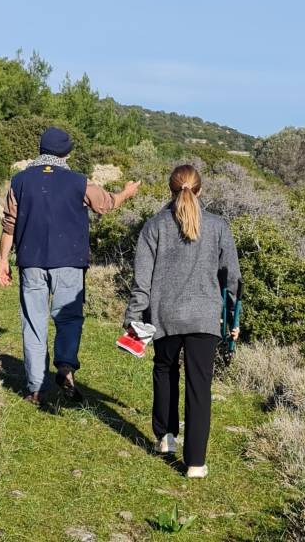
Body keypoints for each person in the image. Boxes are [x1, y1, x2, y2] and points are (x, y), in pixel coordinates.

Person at [0, 127, 141, 405]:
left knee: (33, 322)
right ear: (67, 153)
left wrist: (3, 259)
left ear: (41, 150)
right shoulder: (78, 181)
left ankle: (36, 390)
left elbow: (9, 225)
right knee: (68, 318)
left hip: (31, 261)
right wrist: (126, 193)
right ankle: (65, 366)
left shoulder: (20, 181)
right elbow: (107, 204)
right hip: (70, 262)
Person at [123, 164, 241, 478]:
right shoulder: (218, 226)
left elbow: (142, 281)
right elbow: (232, 278)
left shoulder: (154, 226)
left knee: (164, 370)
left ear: (170, 189)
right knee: (199, 386)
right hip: (204, 318)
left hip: (165, 316)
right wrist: (234, 318)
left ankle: (166, 437)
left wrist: (133, 317)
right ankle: (196, 463)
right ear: (199, 190)